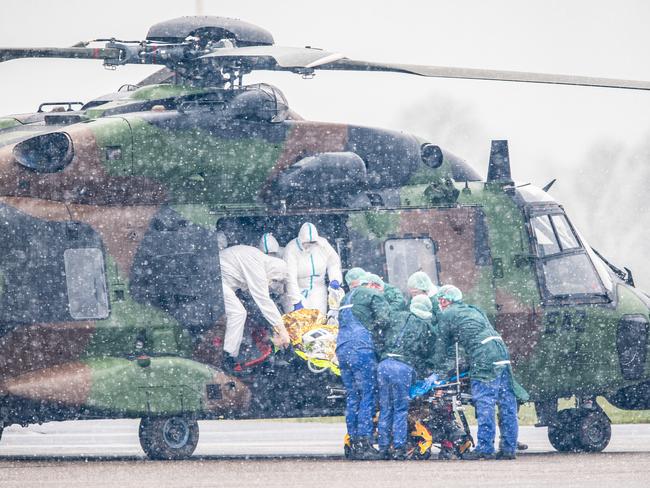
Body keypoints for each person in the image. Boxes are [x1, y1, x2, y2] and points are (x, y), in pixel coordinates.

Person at [432, 285, 518, 460]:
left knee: (485, 403)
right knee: (507, 403)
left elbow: (442, 346)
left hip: (484, 357)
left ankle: (485, 448)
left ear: (443, 300)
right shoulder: (473, 309)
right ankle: (509, 448)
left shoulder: (448, 314)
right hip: (500, 351)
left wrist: (437, 372)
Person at [336, 275, 392, 460]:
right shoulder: (372, 294)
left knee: (353, 396)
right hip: (361, 347)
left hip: (342, 349)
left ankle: (353, 441)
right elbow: (384, 320)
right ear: (374, 284)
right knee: (368, 394)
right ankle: (365, 442)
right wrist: (377, 335)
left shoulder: (346, 297)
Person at [219, 245, 302, 368]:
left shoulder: (258, 259)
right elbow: (262, 299)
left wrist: (275, 329)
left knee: (239, 312)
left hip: (220, 278)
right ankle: (227, 357)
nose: (272, 283)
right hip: (217, 278)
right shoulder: (257, 265)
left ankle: (229, 355)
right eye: (274, 280)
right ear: (275, 271)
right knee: (238, 313)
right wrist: (282, 330)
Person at [376, 295, 436, 460]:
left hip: (384, 365)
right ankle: (399, 447)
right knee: (400, 410)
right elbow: (427, 354)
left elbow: (380, 337)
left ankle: (383, 448)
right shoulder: (425, 326)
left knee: (385, 409)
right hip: (402, 368)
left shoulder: (396, 316)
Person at [284, 222, 343, 315]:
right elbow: (290, 278)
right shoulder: (291, 249)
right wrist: (296, 301)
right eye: (307, 243)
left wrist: (335, 279)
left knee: (319, 318)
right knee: (299, 322)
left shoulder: (323, 245)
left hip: (318, 290)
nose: (310, 245)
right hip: (299, 290)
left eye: (313, 242)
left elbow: (333, 263)